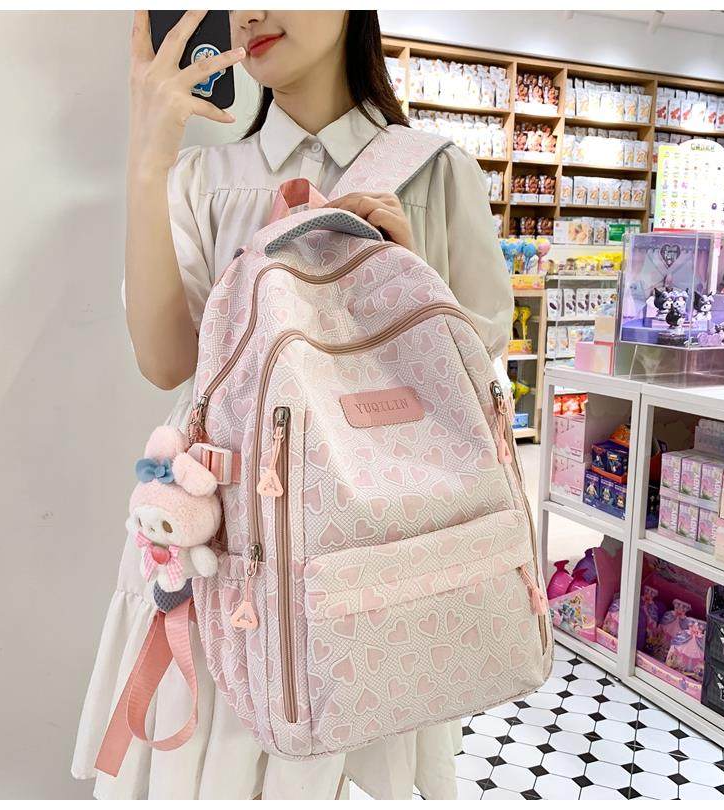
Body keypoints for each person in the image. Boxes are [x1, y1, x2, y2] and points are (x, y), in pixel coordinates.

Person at [72, 10, 513, 800]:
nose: (251, 13)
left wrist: (405, 284)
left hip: (373, 557)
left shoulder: (436, 170)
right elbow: (166, 361)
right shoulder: (202, 178)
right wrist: (150, 150)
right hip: (223, 545)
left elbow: (474, 380)